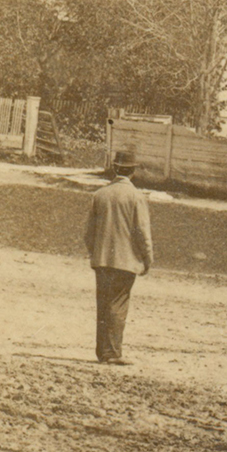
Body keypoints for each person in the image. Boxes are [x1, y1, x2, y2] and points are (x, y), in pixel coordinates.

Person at [83, 149, 154, 365]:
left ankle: (103, 352)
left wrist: (95, 252)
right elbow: (142, 232)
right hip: (126, 261)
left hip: (102, 259)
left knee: (103, 304)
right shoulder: (136, 197)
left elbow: (88, 233)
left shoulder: (100, 195)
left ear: (115, 168)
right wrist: (147, 258)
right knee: (118, 305)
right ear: (133, 171)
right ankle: (113, 353)